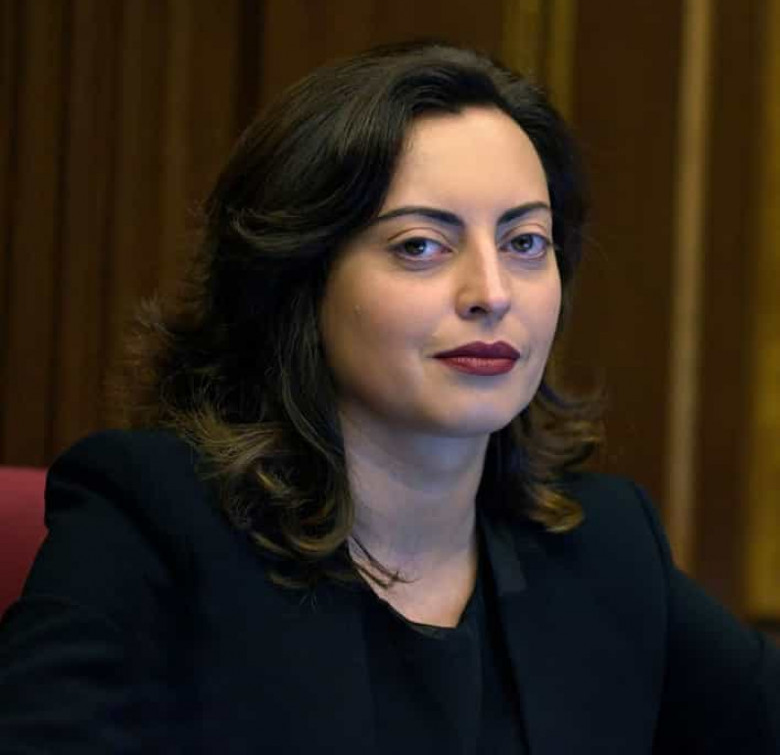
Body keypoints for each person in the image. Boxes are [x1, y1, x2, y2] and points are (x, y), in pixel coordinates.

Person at [0, 41, 777, 754]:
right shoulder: (154, 520)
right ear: (299, 280)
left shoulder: (603, 546)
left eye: (525, 242)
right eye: (420, 246)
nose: (492, 292)